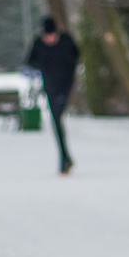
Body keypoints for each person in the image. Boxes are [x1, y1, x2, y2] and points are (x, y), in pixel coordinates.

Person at [25, 16, 80, 174]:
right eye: (46, 36)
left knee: (57, 117)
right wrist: (41, 65)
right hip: (50, 86)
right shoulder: (38, 44)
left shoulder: (66, 41)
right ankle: (65, 157)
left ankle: (64, 159)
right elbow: (30, 61)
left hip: (65, 85)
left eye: (51, 35)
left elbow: (76, 56)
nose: (49, 39)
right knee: (55, 120)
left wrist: (69, 64)